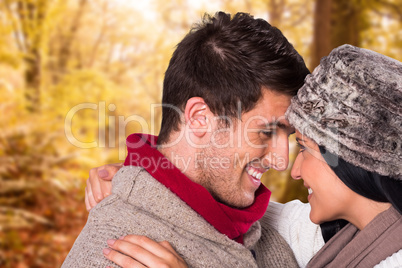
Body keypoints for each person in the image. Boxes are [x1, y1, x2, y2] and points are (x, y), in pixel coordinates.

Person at [87, 44, 402, 268]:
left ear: (355, 161)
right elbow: (248, 216)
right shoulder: (328, 235)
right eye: (267, 132)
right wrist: (146, 177)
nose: (286, 165)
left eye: (303, 147)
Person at [62, 11, 311, 267]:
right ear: (200, 118)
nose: (282, 161)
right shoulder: (115, 254)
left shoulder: (270, 242)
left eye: (287, 135)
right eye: (267, 131)